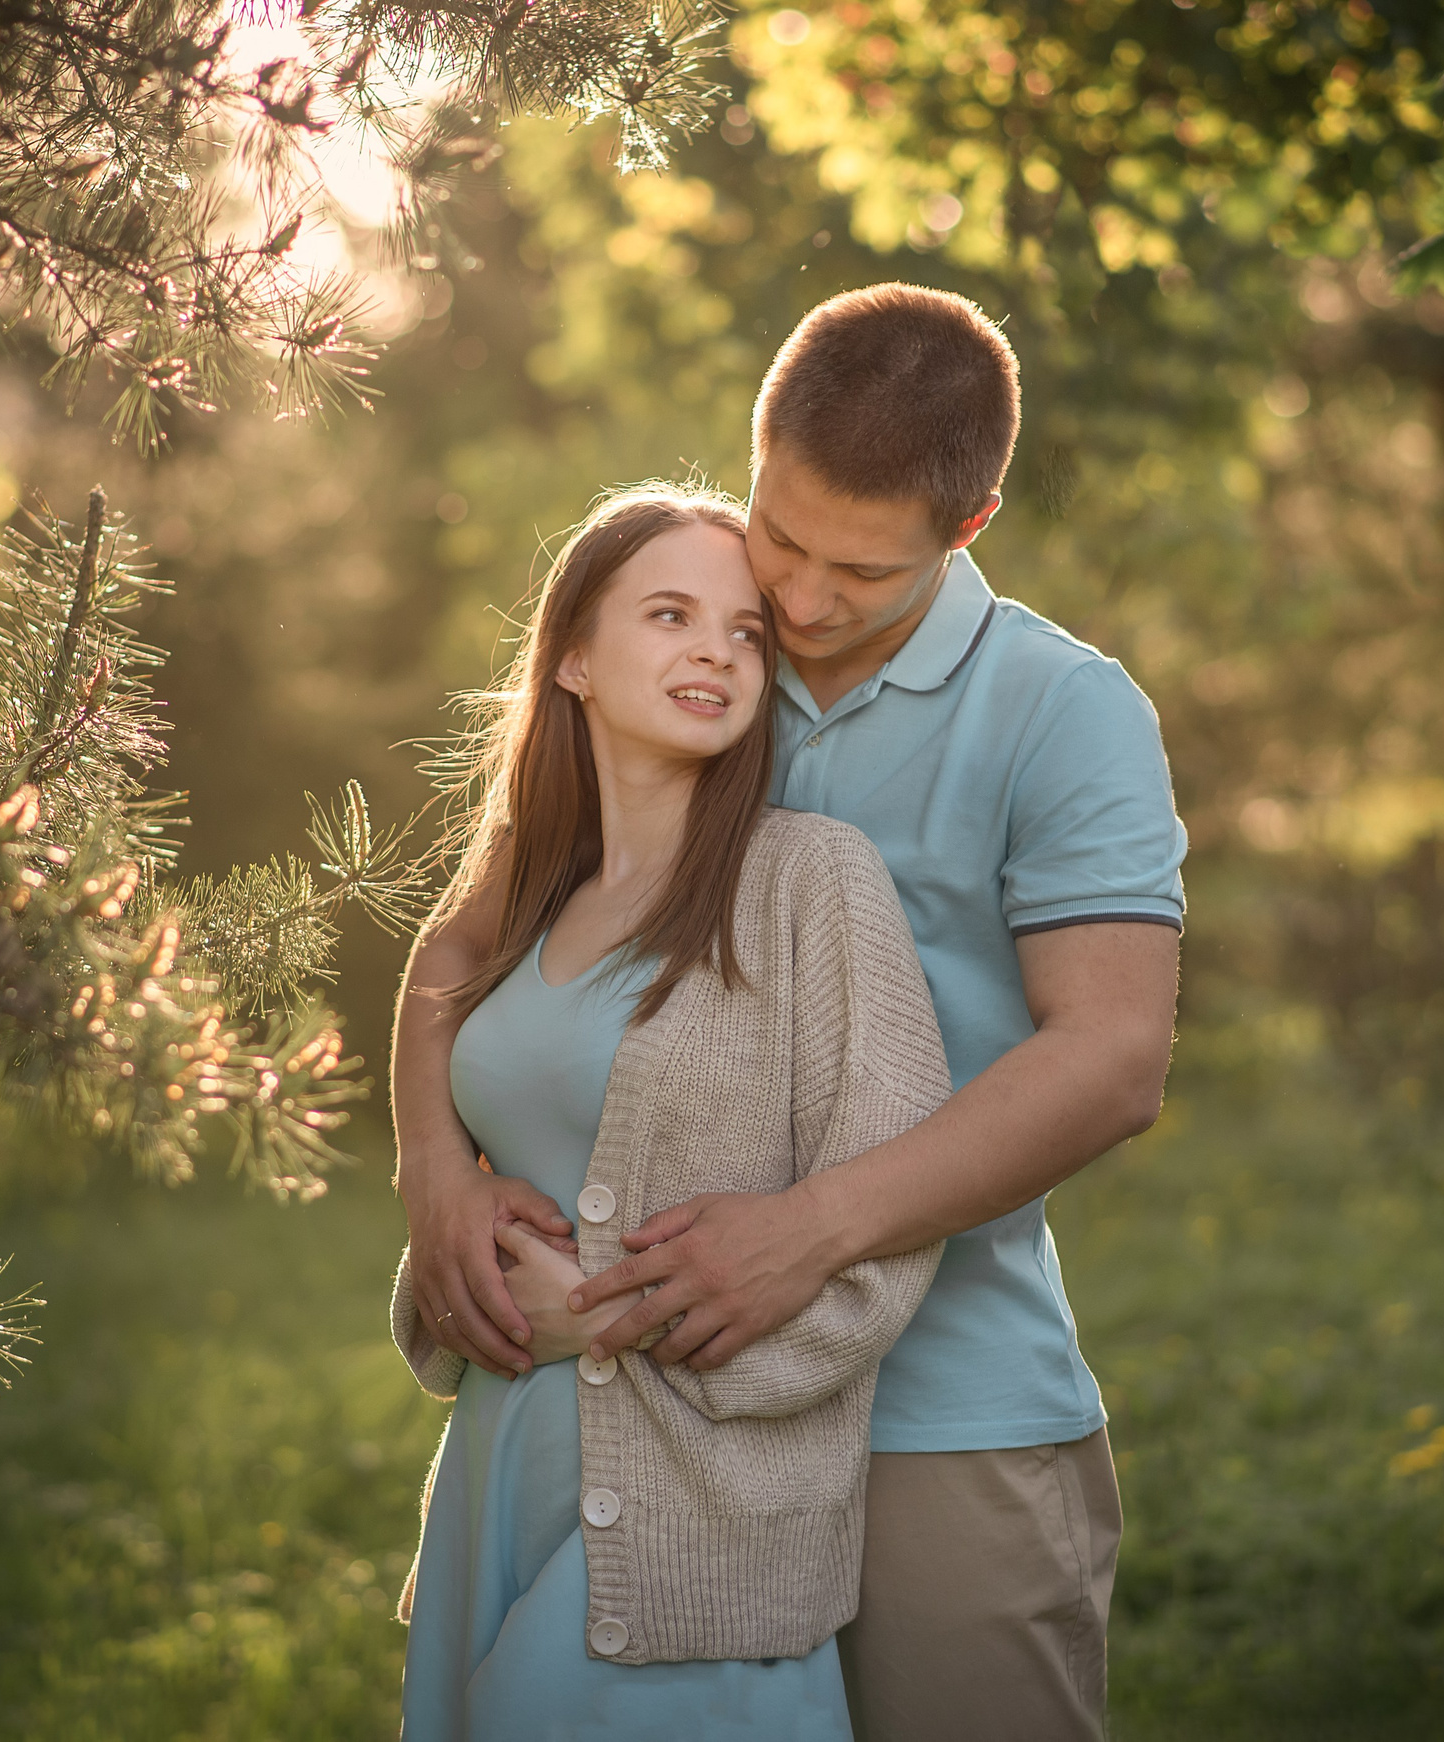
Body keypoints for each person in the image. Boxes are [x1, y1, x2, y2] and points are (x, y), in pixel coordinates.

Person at [394, 285, 1186, 1741]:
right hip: (666, 1409)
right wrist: (437, 1170)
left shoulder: (1062, 710)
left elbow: (1113, 1058)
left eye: (862, 570)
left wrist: (812, 1229)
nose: (803, 602)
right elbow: (466, 942)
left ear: (971, 524)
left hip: (945, 1405)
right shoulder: (699, 664)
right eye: (785, 538)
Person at [388, 484, 954, 1740]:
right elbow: (439, 973)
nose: (717, 648)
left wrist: (597, 1307)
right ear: (575, 658)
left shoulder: (810, 878)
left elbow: (883, 1235)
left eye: (746, 631)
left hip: (697, 1524)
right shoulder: (536, 889)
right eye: (670, 614)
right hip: (497, 1478)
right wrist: (436, 1182)